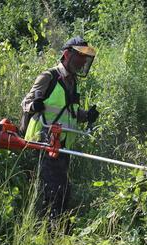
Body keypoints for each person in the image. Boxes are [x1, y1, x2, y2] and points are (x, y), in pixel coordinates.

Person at [20, 36, 99, 219]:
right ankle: (52, 228)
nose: (82, 63)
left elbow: (70, 110)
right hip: (44, 141)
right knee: (55, 190)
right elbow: (26, 102)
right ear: (66, 55)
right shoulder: (49, 77)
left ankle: (55, 227)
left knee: (61, 189)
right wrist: (34, 106)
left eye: (84, 60)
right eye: (79, 58)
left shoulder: (72, 81)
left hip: (62, 144)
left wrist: (86, 115)